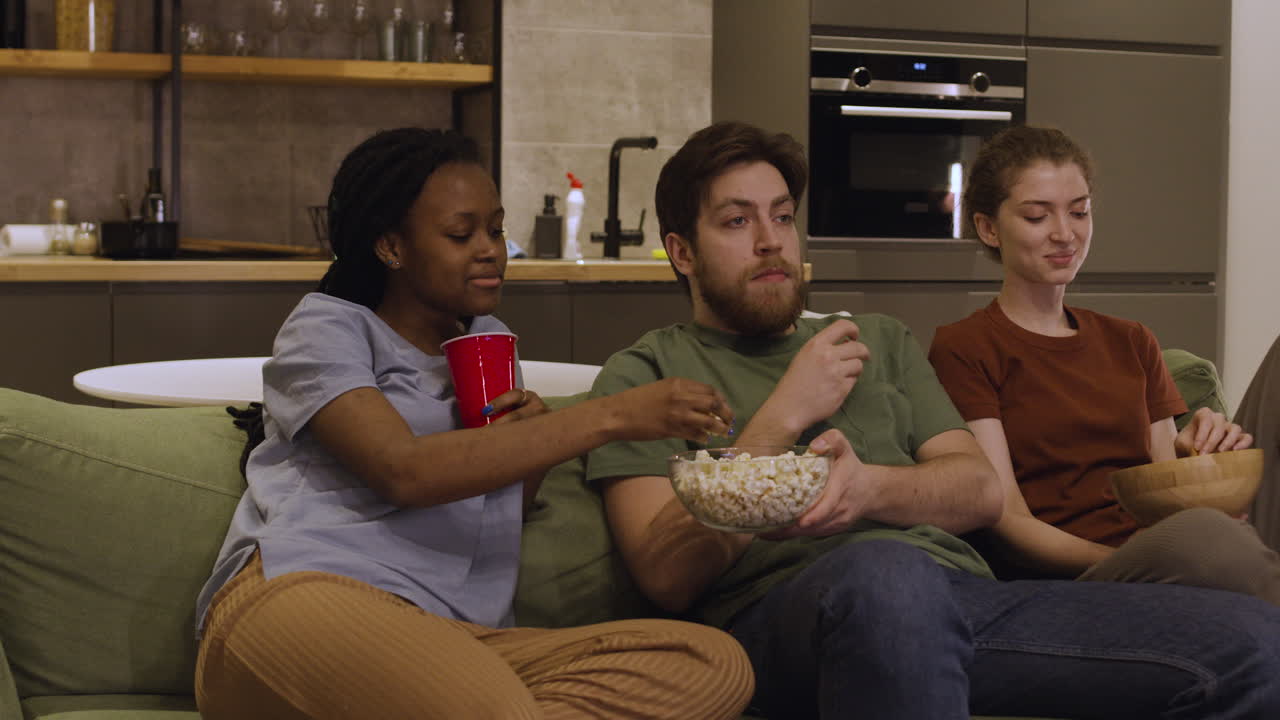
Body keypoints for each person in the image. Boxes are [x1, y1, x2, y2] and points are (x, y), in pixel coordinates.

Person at [585, 120, 1280, 719]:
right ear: (682, 252)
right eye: (738, 222)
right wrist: (782, 416)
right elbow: (666, 572)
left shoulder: (877, 339)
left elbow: (979, 491)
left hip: (966, 601)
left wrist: (871, 490)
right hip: (787, 616)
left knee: (1256, 641)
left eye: (782, 216)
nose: (771, 241)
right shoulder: (643, 375)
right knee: (885, 572)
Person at [193, 128, 754, 720]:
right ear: (391, 246)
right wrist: (609, 416)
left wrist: (528, 449)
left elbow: (496, 508)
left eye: (495, 229)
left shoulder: (488, 345)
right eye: (462, 234)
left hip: (455, 635)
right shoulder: (328, 330)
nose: (491, 249)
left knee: (711, 663)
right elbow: (401, 471)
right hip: (302, 601)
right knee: (495, 711)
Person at [927, 125, 1280, 603]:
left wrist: (1201, 461)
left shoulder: (1131, 339)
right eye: (1037, 216)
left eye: (1079, 212)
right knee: (1208, 541)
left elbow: (1163, 482)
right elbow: (1006, 517)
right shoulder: (965, 346)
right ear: (989, 228)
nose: (1064, 233)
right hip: (1085, 575)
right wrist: (1126, 556)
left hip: (1175, 545)